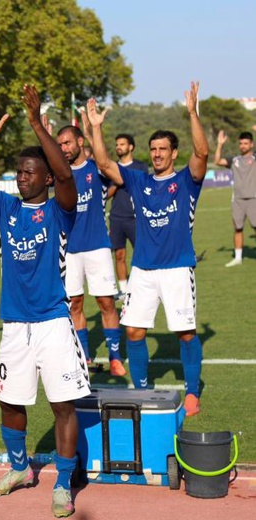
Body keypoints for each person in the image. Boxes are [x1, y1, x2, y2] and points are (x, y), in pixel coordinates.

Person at [0, 85, 88, 518]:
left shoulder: (60, 210)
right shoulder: (4, 208)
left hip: (53, 322)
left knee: (62, 406)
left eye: (31, 172)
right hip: (14, 324)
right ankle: (19, 469)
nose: (22, 176)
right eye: (19, 171)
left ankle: (64, 485)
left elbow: (68, 177)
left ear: (46, 177)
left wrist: (36, 121)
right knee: (9, 401)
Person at [84, 81, 208, 417]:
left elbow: (202, 154)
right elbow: (106, 164)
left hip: (178, 269)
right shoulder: (138, 181)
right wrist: (96, 129)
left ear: (173, 153)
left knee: (185, 333)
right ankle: (141, 390)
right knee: (134, 331)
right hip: (143, 271)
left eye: (162, 149)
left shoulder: (186, 181)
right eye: (153, 149)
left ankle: (193, 391)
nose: (156, 154)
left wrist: (192, 113)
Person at [56, 124, 125, 377]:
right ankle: (84, 355)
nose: (63, 148)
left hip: (98, 247)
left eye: (67, 143)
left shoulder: (97, 168)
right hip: (70, 250)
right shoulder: (59, 174)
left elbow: (110, 168)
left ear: (80, 142)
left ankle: (115, 357)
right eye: (60, 144)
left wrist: (96, 126)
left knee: (106, 302)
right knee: (74, 303)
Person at [109, 134, 150, 297]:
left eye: (122, 144)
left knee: (141, 252)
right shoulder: (111, 168)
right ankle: (124, 290)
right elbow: (108, 193)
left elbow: (145, 189)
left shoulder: (141, 166)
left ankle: (145, 286)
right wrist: (117, 182)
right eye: (117, 144)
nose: (118, 147)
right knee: (119, 255)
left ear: (131, 147)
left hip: (136, 217)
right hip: (117, 217)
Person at [214, 130, 256, 266]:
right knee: (238, 228)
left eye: (245, 143)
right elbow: (217, 161)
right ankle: (238, 258)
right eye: (241, 143)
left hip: (254, 198)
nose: (242, 145)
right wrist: (220, 145)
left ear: (251, 144)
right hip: (238, 200)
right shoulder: (235, 160)